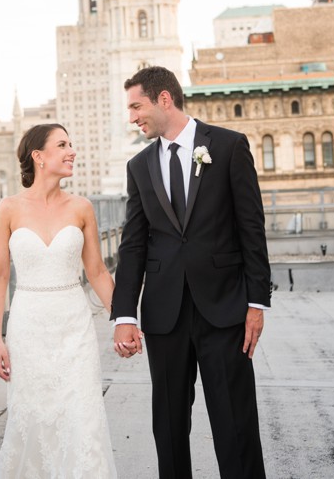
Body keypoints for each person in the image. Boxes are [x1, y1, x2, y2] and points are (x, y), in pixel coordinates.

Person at [111, 65, 271, 479]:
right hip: (165, 315)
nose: (132, 117)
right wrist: (124, 314)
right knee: (168, 427)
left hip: (224, 309)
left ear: (164, 99)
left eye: (136, 106)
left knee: (235, 423)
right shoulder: (139, 165)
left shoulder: (230, 146)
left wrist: (257, 302)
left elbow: (251, 228)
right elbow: (133, 244)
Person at [0, 124, 118, 477]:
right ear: (39, 156)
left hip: (74, 328)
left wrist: (124, 320)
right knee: (30, 419)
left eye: (71, 144)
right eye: (62, 145)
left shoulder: (82, 208)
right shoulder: (8, 209)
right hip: (27, 328)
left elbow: (97, 273)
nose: (72, 151)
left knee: (81, 418)